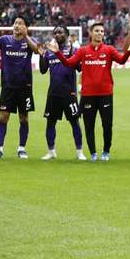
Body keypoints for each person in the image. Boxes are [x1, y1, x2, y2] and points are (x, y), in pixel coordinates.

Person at [49, 20, 130, 161]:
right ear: (91, 33)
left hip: (106, 94)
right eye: (97, 31)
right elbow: (70, 64)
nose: (99, 33)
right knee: (89, 125)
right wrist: (58, 53)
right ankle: (93, 153)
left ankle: (106, 152)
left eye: (101, 31)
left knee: (107, 125)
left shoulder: (109, 49)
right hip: (88, 95)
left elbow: (121, 61)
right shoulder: (83, 51)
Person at [0, 17, 41, 159]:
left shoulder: (30, 41)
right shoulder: (4, 40)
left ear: (26, 27)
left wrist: (26, 36)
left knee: (23, 118)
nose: (16, 25)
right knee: (3, 117)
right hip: (8, 87)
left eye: (20, 23)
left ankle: (21, 148)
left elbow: (38, 51)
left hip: (25, 87)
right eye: (15, 23)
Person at [39, 26, 85, 161]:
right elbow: (42, 70)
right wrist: (42, 55)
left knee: (74, 122)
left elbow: (80, 68)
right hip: (53, 93)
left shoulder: (73, 50)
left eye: (60, 32)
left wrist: (72, 55)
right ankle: (51, 151)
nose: (57, 35)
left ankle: (79, 152)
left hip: (69, 93)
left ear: (67, 35)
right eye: (55, 33)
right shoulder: (49, 52)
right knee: (50, 122)